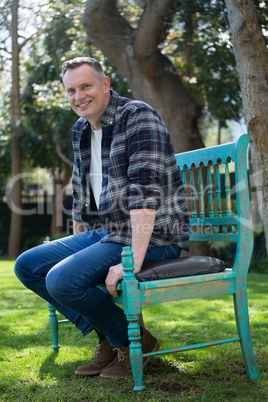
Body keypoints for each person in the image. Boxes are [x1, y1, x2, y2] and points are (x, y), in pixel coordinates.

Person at [14, 57, 189, 379]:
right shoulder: (81, 129)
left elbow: (145, 190)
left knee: (61, 280)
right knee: (28, 265)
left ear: (105, 84)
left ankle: (135, 342)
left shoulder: (137, 116)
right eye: (71, 90)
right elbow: (82, 188)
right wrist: (78, 233)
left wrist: (133, 258)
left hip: (157, 236)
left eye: (86, 86)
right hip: (109, 232)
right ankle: (113, 337)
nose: (78, 96)